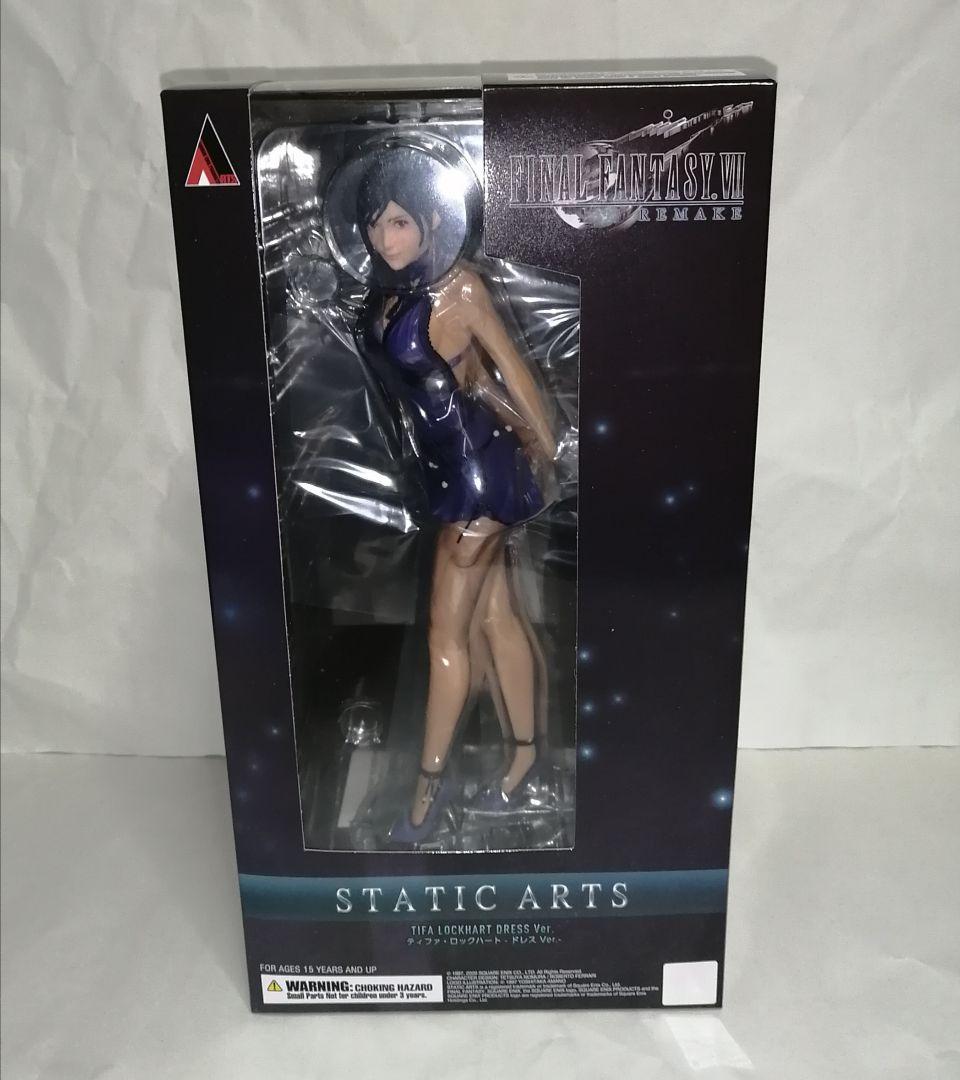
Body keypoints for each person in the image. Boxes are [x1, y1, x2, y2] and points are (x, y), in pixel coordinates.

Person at [353, 146, 556, 844]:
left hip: (479, 479)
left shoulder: (461, 289)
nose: (386, 239)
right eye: (375, 224)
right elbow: (457, 381)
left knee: (446, 637)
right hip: (448, 472)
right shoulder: (392, 293)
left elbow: (514, 371)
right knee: (497, 618)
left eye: (400, 222)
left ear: (433, 219)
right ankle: (524, 760)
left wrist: (544, 446)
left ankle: (424, 799)